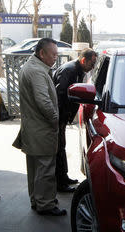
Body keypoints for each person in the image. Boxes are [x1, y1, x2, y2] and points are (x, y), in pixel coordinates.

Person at [12, 38, 66, 216]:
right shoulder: (37, 71)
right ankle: (46, 204)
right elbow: (43, 101)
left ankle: (37, 199)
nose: (55, 59)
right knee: (45, 168)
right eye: (53, 55)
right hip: (41, 129)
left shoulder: (32, 66)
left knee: (35, 168)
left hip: (33, 128)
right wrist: (55, 119)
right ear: (42, 53)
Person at [52, 48, 97, 192]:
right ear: (84, 60)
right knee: (58, 148)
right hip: (58, 116)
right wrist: (60, 118)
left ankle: (63, 177)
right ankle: (60, 182)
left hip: (62, 117)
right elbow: (60, 96)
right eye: (92, 63)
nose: (93, 67)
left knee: (61, 147)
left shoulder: (76, 70)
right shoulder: (70, 71)